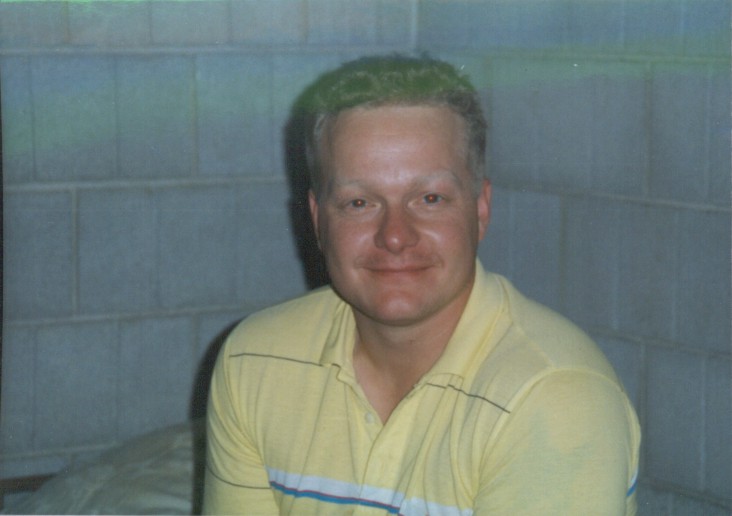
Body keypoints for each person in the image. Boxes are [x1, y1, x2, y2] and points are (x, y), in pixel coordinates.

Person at [203, 55, 641, 515]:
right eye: (358, 202)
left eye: (430, 198)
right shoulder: (253, 360)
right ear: (317, 219)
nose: (395, 236)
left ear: (480, 209)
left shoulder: (553, 396)